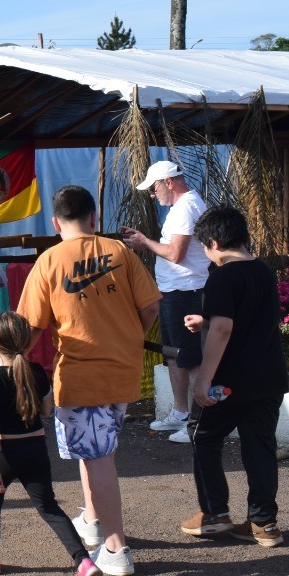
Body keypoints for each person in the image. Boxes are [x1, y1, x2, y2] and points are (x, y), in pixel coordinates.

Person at [17, 185, 160, 576]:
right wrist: (128, 337)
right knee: (98, 451)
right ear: (94, 217)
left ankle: (116, 548)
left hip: (81, 373)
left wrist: (14, 367)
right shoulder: (121, 252)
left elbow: (28, 329)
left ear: (55, 221)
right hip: (122, 369)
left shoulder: (49, 260)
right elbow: (150, 306)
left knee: (97, 459)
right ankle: (94, 520)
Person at [0, 311, 102, 576]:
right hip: (36, 449)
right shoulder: (37, 372)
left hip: (6, 452)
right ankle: (83, 561)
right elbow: (47, 411)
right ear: (27, 343)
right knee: (49, 508)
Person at [179, 205, 289, 547]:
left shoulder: (222, 276)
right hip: (268, 376)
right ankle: (264, 524)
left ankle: (214, 513)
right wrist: (207, 321)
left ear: (213, 242)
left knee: (204, 436)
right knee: (260, 447)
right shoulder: (263, 271)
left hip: (230, 382)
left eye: (205, 248)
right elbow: (244, 317)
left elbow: (225, 328)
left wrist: (203, 379)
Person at [121, 160, 210, 443]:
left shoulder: (186, 207)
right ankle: (181, 413)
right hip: (176, 291)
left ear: (168, 182)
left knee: (191, 358)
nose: (152, 194)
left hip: (188, 291)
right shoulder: (181, 207)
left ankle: (198, 422)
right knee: (174, 355)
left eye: (154, 188)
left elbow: (175, 254)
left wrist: (145, 243)